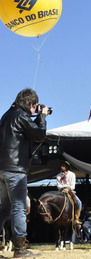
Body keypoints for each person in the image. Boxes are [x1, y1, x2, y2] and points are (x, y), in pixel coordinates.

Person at [0, 88, 47, 257]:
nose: (35, 110)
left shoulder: (6, 116)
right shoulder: (22, 116)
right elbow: (40, 135)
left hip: (2, 169)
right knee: (19, 207)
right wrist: (42, 116)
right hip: (16, 169)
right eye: (35, 107)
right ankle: (20, 249)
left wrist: (36, 115)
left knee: (3, 208)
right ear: (31, 104)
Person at [56, 161, 82, 225]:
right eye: (61, 166)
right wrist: (64, 188)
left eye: (63, 166)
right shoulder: (58, 175)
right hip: (61, 191)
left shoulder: (72, 174)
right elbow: (58, 185)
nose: (62, 167)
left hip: (70, 191)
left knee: (79, 202)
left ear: (67, 167)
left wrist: (68, 189)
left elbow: (73, 185)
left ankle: (76, 218)